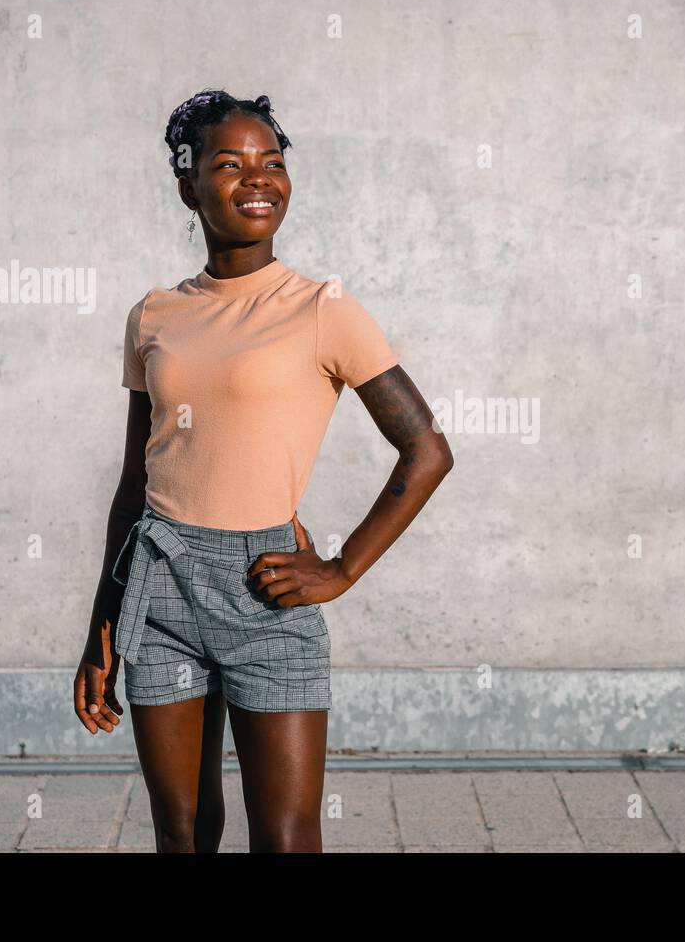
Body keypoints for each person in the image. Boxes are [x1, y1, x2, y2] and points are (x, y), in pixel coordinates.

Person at [72, 89, 453, 852]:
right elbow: (133, 484)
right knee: (183, 832)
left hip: (266, 595)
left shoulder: (322, 307)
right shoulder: (154, 314)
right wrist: (103, 625)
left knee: (283, 835)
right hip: (161, 589)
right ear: (189, 186)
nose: (257, 179)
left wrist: (341, 569)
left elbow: (428, 450)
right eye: (230, 163)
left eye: (272, 163)